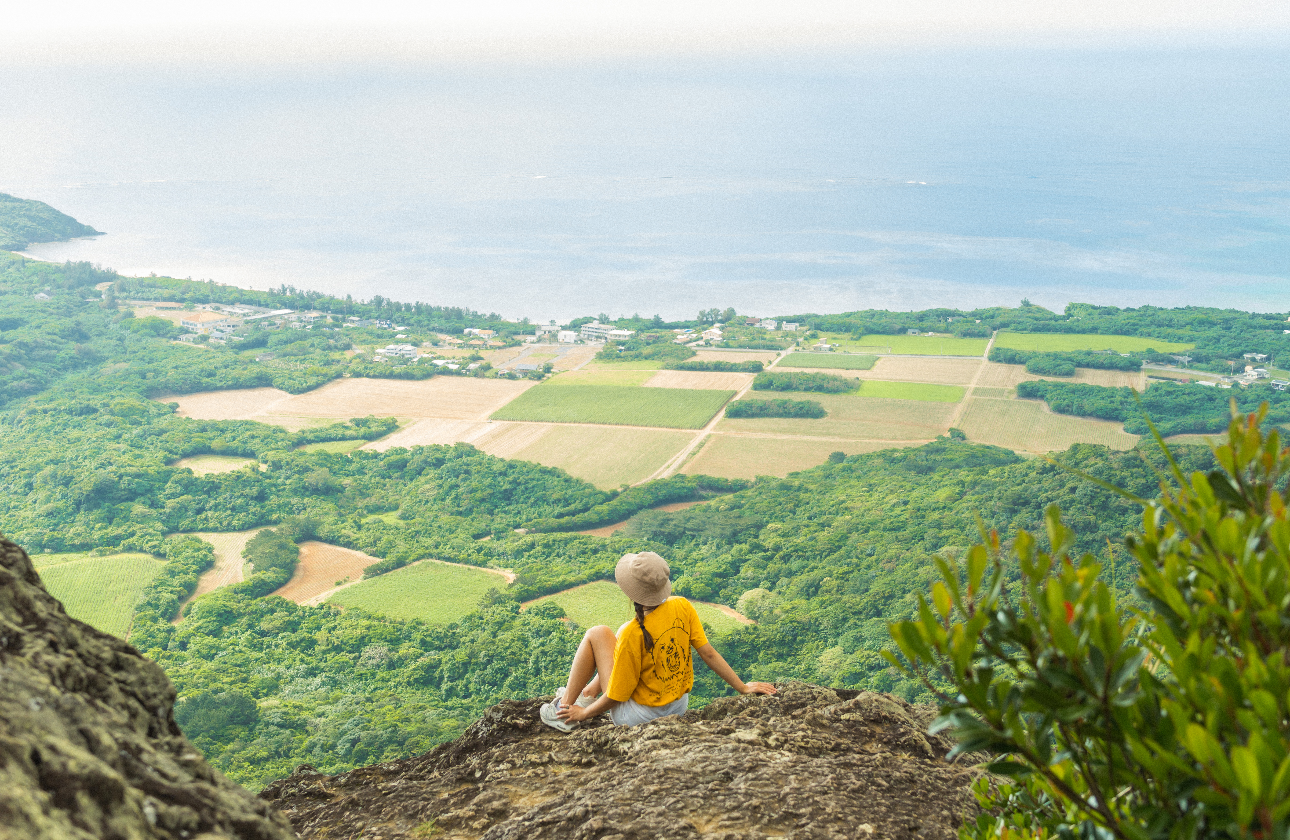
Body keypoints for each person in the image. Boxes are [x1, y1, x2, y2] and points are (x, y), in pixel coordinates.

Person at [540, 550, 776, 732]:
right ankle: (588, 693)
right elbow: (709, 653)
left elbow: (616, 696)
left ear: (630, 591)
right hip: (677, 706)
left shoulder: (635, 633)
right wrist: (742, 687)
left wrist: (584, 714)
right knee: (620, 633)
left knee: (598, 633)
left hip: (639, 716)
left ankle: (563, 712)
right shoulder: (682, 605)